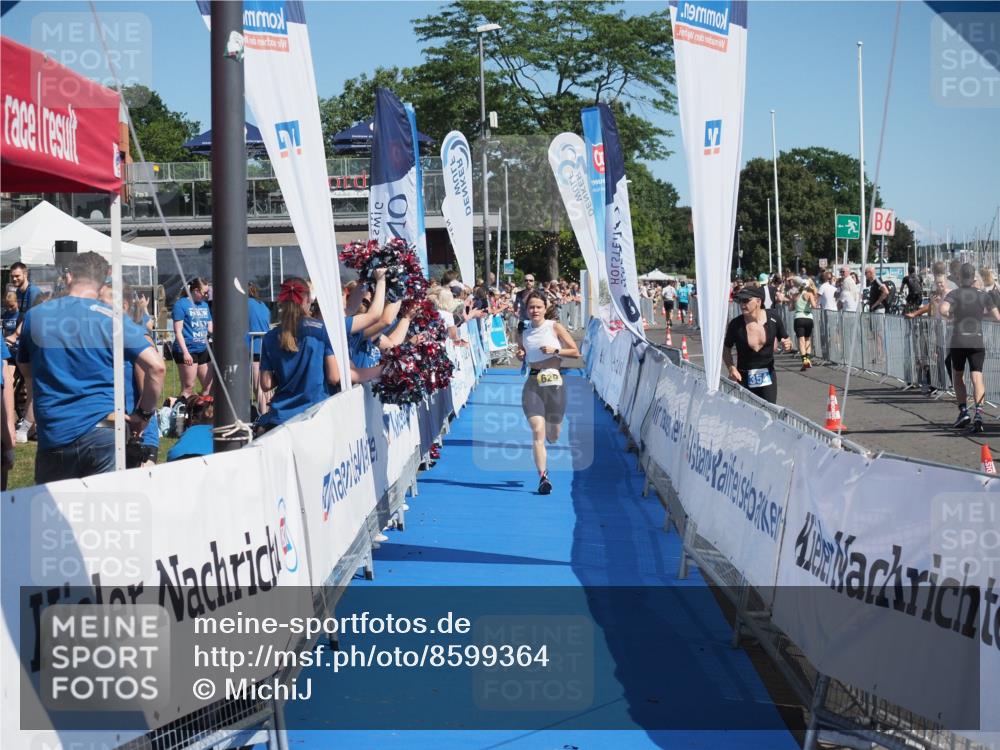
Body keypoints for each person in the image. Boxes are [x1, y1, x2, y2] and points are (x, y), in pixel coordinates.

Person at [16, 252, 166, 483]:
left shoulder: (35, 316)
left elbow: (26, 371)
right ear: (104, 278)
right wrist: (143, 414)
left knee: (54, 514)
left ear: (68, 277)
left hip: (54, 433)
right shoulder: (111, 317)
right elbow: (157, 367)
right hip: (105, 431)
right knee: (106, 513)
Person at [517, 290, 580, 495]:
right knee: (538, 431)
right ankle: (543, 477)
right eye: (531, 307)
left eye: (538, 307)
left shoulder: (554, 327)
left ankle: (552, 437)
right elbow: (523, 354)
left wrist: (555, 351)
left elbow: (576, 352)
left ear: (546, 308)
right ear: (526, 310)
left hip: (554, 383)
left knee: (553, 434)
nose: (534, 310)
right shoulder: (523, 331)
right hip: (533, 383)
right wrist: (520, 354)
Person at [939, 263, 1000, 433]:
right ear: (974, 278)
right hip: (977, 341)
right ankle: (979, 414)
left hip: (958, 341)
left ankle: (964, 411)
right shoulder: (983, 296)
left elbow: (943, 309)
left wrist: (950, 316)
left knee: (958, 375)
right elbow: (997, 317)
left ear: (959, 277)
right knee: (977, 376)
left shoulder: (954, 294)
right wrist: (981, 315)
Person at [723, 286, 792, 404]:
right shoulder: (735, 324)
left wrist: (788, 345)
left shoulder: (773, 318)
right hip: (744, 376)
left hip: (767, 375)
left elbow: (786, 339)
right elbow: (726, 348)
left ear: (758, 301)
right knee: (748, 415)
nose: (742, 304)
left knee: (770, 412)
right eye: (740, 301)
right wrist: (731, 367)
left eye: (746, 301)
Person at [10, 263, 44, 443]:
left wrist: (15, 335)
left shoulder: (33, 291)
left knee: (31, 384)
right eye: (12, 277)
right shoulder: (19, 292)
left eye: (17, 276)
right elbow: (21, 318)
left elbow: (31, 317)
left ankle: (28, 426)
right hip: (24, 342)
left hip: (34, 342)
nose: (15, 279)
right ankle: (29, 426)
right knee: (26, 383)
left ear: (25, 274)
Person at [172, 278, 214, 398]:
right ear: (196, 290)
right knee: (188, 387)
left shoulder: (205, 305)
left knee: (209, 387)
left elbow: (210, 328)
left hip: (202, 348)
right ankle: (180, 413)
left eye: (208, 293)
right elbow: (178, 331)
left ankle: (202, 414)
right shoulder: (181, 304)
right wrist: (185, 353)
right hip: (187, 349)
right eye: (204, 292)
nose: (206, 296)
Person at [247, 282, 272, 415]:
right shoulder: (263, 306)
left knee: (259, 387)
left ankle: (264, 416)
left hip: (253, 349)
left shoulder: (244, 304)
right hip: (265, 348)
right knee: (266, 387)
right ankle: (267, 413)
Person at [792, 279, 818, 370]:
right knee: (808, 340)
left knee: (801, 341)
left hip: (798, 317)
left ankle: (804, 361)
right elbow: (814, 306)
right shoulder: (809, 294)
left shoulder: (795, 295)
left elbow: (790, 308)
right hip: (808, 318)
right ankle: (808, 360)